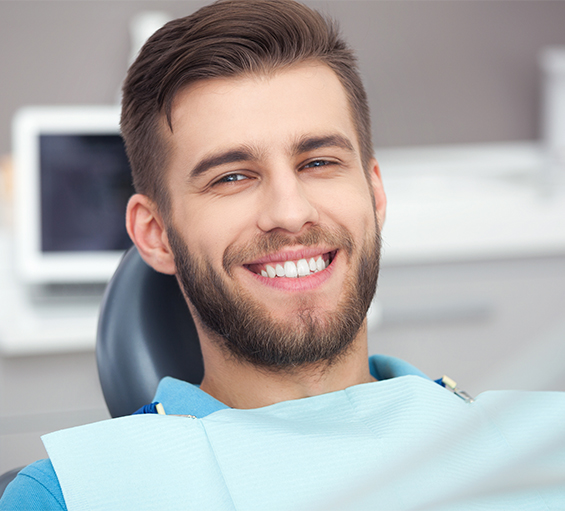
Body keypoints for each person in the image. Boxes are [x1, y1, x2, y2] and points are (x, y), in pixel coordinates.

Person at [2, 0, 565, 509]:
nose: (290, 212)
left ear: (374, 194)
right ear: (155, 234)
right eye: (232, 176)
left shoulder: (542, 447)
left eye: (318, 162)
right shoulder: (71, 496)